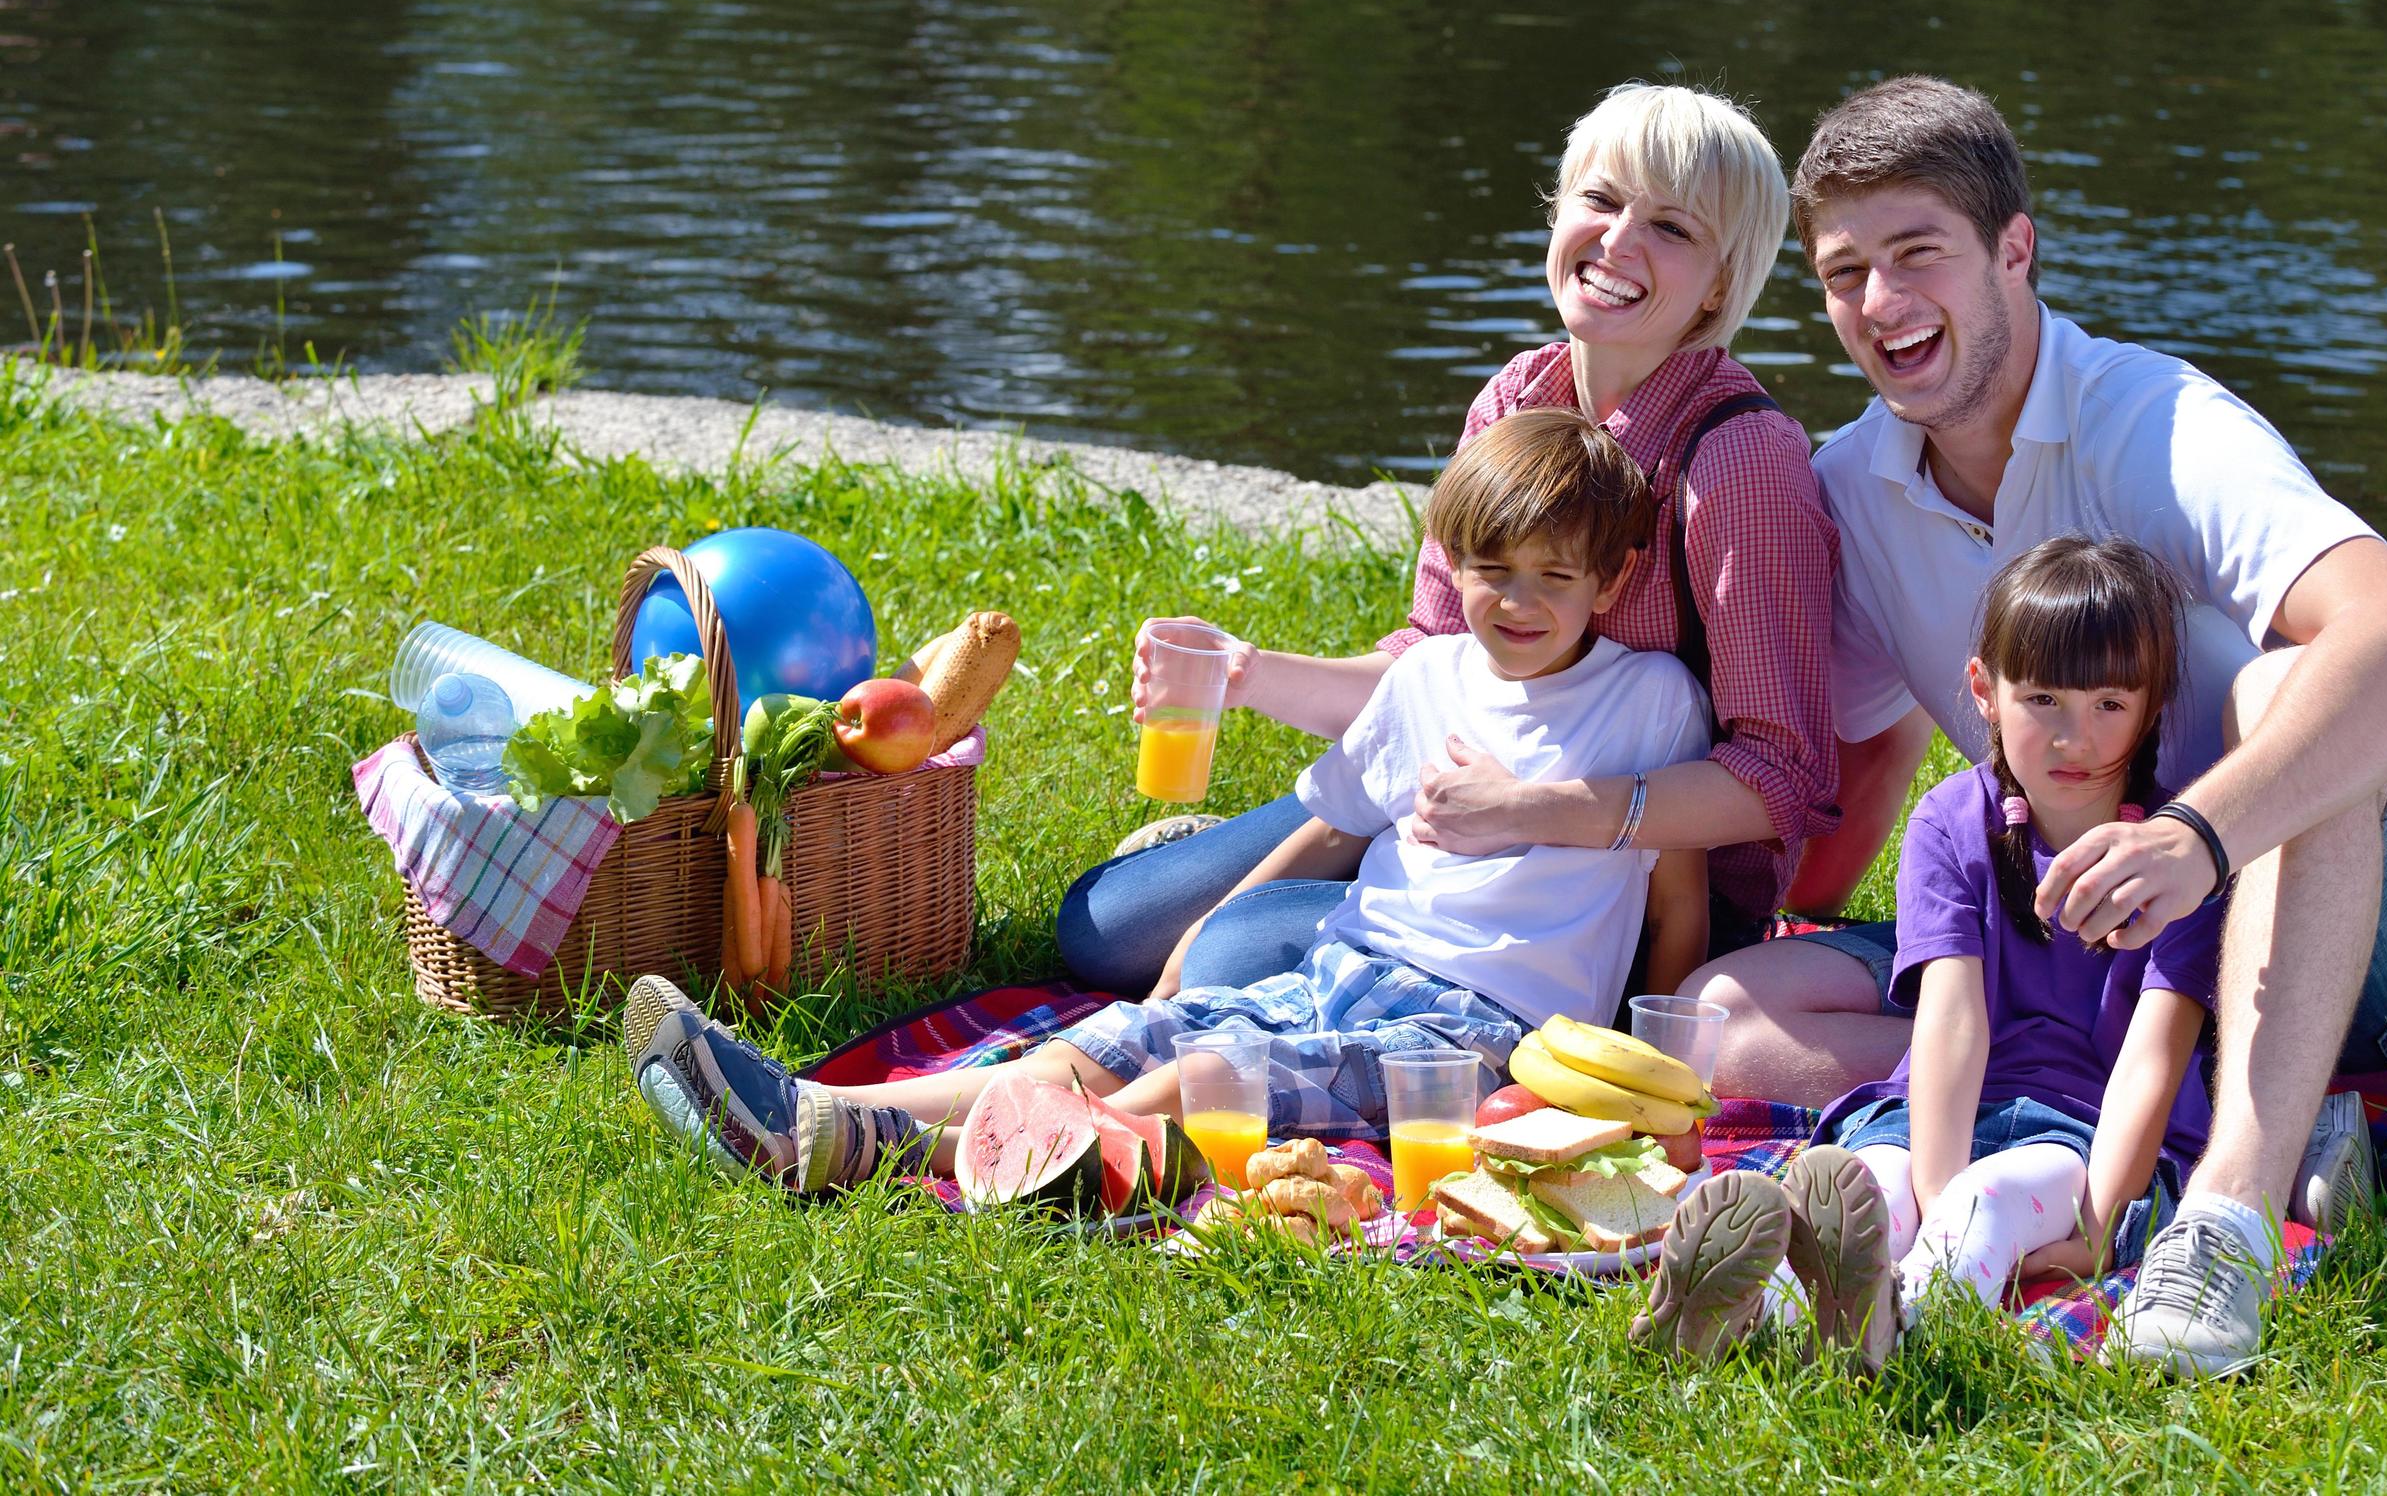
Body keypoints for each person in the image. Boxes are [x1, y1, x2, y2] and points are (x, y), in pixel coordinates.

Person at [1681, 76, 2387, 1379]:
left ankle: (2227, 1220)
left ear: (2017, 250)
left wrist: (2197, 836)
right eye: (1847, 274)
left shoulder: (2156, 426)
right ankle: (2088, 1122)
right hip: (2087, 940)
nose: (1883, 305)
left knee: (2277, 687)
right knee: (1722, 1010)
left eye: (1920, 256)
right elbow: (1858, 750)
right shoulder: (1856, 484)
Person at [624, 411, 1713, 1189]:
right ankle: (820, 1113)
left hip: (1473, 1030)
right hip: (1344, 964)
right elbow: (1334, 825)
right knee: (1109, 1042)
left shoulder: (1648, 700)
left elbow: (1674, 897)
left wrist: (1645, 1078)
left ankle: (904, 1153)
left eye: (1553, 578)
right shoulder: (1425, 680)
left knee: (1198, 1078)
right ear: (1453, 561)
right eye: (1489, 568)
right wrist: (1204, 924)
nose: (1514, 601)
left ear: (1609, 582)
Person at [1055, 83, 1840, 1005]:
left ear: (1721, 283)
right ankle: (1316, 858)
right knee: (1100, 930)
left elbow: (1779, 778)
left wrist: (1531, 809)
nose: (1620, 242)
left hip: (1615, 896)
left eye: (1672, 227)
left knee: (1226, 959)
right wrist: (1250, 675)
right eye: (1600, 199)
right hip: (1447, 815)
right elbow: (1431, 661)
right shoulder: (1516, 400)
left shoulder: (1742, 461)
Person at [1634, 536, 2226, 1374]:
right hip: (1931, 1106)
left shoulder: (2177, 857)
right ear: (1985, 690)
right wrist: (1930, 1180)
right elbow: (1949, 1022)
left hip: (2082, 1135)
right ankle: (1749, 1309)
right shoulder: (1952, 822)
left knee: (1983, 1206)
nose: (2075, 737)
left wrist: (2097, 1226)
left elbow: (2152, 1058)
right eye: (2045, 699)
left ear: (2151, 701)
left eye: (2109, 704)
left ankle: (1900, 1326)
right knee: (1867, 1186)